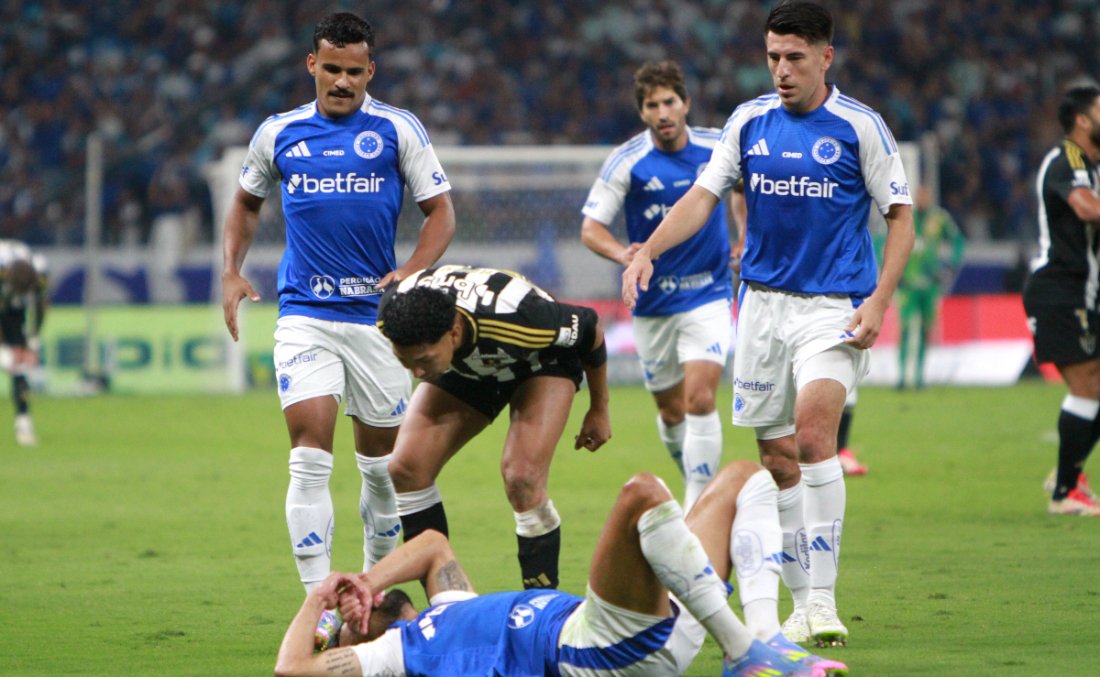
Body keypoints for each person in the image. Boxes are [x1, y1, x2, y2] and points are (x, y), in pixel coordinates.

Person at [622, 1, 914, 647]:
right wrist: (648, 249)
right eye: (773, 57)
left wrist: (880, 299)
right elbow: (701, 197)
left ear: (826, 56)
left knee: (814, 439)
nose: (781, 70)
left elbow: (900, 217)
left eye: (795, 58)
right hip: (759, 305)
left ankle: (823, 600)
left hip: (832, 305)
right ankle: (800, 598)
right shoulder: (749, 121)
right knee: (777, 457)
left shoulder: (860, 127)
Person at [220, 12, 456, 592]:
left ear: (370, 70)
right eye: (332, 69)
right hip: (304, 313)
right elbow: (247, 203)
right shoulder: (279, 133)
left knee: (379, 471)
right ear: (312, 65)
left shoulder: (399, 129)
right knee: (308, 449)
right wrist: (230, 271)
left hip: (377, 321)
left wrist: (409, 271)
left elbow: (441, 212)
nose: (344, 81)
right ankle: (318, 603)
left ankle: (370, 587)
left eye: (355, 71)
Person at [274, 459, 849, 676]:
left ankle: (766, 639)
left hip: (647, 624)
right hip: (592, 650)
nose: (352, 615)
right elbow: (291, 668)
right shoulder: (395, 656)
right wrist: (320, 597)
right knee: (641, 494)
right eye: (342, 625)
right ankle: (744, 653)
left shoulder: (446, 609)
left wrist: (367, 580)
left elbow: (430, 545)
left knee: (745, 478)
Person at [376, 265, 610, 592]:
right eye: (406, 360)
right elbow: (421, 350)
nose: (416, 373)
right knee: (406, 468)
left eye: (424, 360)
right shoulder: (393, 315)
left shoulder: (526, 319)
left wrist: (599, 409)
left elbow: (590, 327)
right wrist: (431, 362)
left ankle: (539, 607)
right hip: (467, 363)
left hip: (539, 361)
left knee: (522, 477)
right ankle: (447, 606)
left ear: (454, 331)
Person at [580, 61, 734, 511]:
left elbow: (741, 187)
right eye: (653, 105)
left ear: (686, 103)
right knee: (671, 413)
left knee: (700, 397)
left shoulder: (715, 146)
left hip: (708, 292)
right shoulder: (628, 161)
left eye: (670, 102)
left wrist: (742, 233)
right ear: (643, 113)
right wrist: (623, 254)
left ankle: (696, 513)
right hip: (653, 304)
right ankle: (701, 488)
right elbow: (591, 228)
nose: (663, 111)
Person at [1023, 84, 1100, 516]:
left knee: (1094, 386)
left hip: (1085, 290)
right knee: (1089, 384)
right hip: (1059, 288)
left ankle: (1068, 477)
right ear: (1084, 121)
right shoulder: (1067, 158)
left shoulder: (1094, 166)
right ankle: (1066, 490)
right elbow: (1087, 209)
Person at [896, 184, 966, 389]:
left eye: (925, 194)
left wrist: (949, 265)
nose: (922, 198)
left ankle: (919, 377)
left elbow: (958, 241)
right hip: (908, 284)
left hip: (930, 284)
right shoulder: (904, 215)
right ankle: (902, 377)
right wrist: (888, 269)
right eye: (920, 194)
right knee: (906, 328)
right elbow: (881, 240)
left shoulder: (939, 219)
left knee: (926, 330)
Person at [0, 240, 47, 447]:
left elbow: (40, 306)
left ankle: (23, 423)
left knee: (19, 366)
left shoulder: (39, 273)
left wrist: (32, 341)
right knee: (9, 358)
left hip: (11, 311)